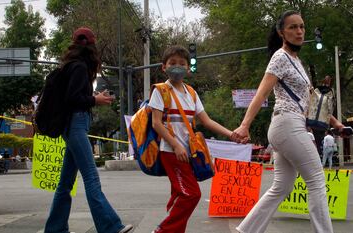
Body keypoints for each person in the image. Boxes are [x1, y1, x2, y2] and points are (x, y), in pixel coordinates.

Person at [232, 10, 344, 233]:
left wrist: (337, 124)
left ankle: (245, 230)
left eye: (302, 26)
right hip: (288, 124)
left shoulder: (297, 62)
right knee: (316, 180)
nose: (299, 31)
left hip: (287, 127)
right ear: (282, 32)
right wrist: (245, 125)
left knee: (281, 187)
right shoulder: (280, 57)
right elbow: (262, 93)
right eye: (293, 27)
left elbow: (311, 100)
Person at [43, 27, 132, 233]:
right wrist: (96, 99)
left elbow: (71, 96)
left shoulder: (69, 66)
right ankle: (110, 227)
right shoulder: (79, 67)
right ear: (92, 45)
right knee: (91, 177)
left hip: (70, 124)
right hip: (75, 124)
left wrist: (93, 97)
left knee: (65, 183)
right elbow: (73, 99)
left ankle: (55, 229)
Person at [149, 45, 237, 233]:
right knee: (191, 194)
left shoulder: (191, 93)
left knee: (179, 195)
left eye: (182, 64)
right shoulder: (161, 91)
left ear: (189, 68)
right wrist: (176, 145)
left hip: (189, 153)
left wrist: (232, 135)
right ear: (163, 67)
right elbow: (157, 123)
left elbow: (206, 120)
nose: (177, 67)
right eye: (172, 63)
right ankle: (162, 231)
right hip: (171, 151)